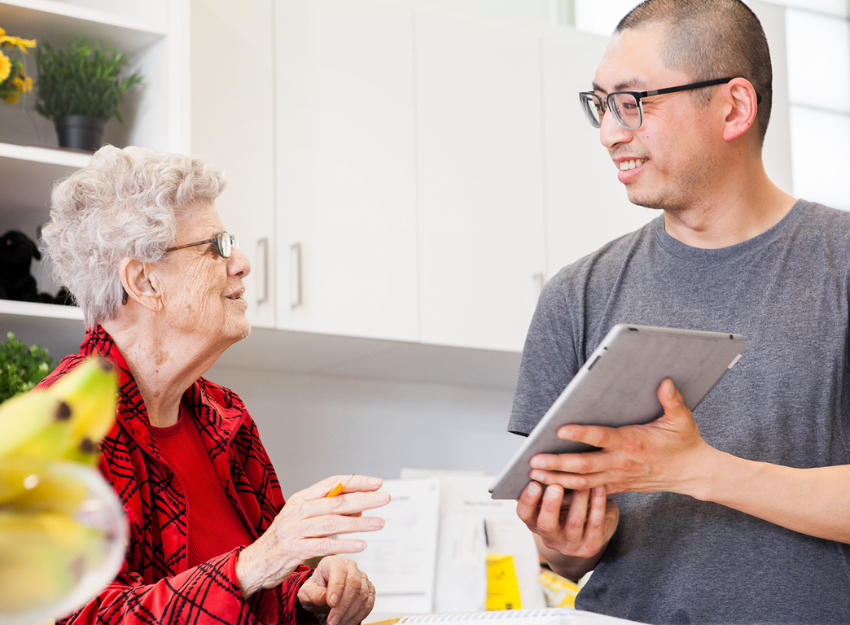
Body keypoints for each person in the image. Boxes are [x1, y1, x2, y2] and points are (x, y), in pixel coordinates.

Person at [508, 1, 850, 623]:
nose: (611, 131)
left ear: (733, 107)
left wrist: (698, 471)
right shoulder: (575, 293)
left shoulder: (842, 262)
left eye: (635, 101)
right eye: (601, 104)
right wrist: (566, 545)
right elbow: (559, 554)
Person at [38, 145, 390, 625]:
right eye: (216, 246)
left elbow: (266, 589)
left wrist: (309, 594)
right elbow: (85, 616)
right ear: (144, 282)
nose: (242, 262)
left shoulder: (227, 417)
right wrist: (257, 562)